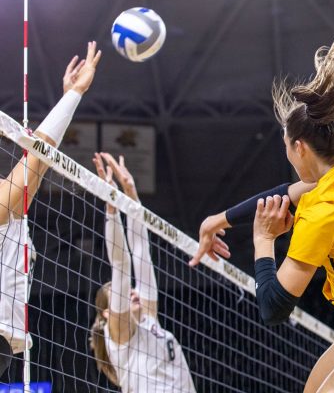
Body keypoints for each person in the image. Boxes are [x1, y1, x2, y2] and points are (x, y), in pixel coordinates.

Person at [190, 15, 334, 393]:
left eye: (285, 146)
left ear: (299, 147)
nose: (287, 155)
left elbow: (274, 307)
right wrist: (217, 220)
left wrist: (263, 241)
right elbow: (286, 193)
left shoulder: (324, 210)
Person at [0, 42, 101, 375]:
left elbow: (38, 163)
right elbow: (35, 157)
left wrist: (69, 96)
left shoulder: (10, 215)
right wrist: (74, 95)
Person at [89, 153, 196, 393]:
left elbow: (141, 253)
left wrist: (131, 194)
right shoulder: (121, 335)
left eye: (132, 291)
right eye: (124, 294)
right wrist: (112, 206)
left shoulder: (149, 320)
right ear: (109, 313)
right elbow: (121, 265)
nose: (133, 293)